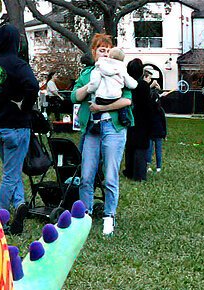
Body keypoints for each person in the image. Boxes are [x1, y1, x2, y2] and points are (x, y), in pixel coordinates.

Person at [71, 33, 133, 237]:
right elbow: (74, 96)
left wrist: (99, 107)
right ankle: (85, 216)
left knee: (110, 175)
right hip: (92, 129)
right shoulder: (89, 73)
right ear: (94, 52)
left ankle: (109, 217)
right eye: (101, 50)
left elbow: (127, 100)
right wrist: (89, 87)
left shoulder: (118, 70)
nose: (105, 53)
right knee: (86, 175)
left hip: (113, 128)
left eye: (108, 50)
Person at [0, 22, 39, 224]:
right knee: (10, 174)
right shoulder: (18, 65)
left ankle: (20, 204)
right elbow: (33, 86)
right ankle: (1, 219)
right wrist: (25, 108)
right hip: (16, 126)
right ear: (16, 42)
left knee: (11, 168)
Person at [125, 59, 167, 179]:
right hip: (142, 119)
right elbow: (147, 105)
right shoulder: (142, 85)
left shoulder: (127, 84)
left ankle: (129, 170)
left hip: (130, 117)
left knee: (130, 145)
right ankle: (139, 173)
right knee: (141, 146)